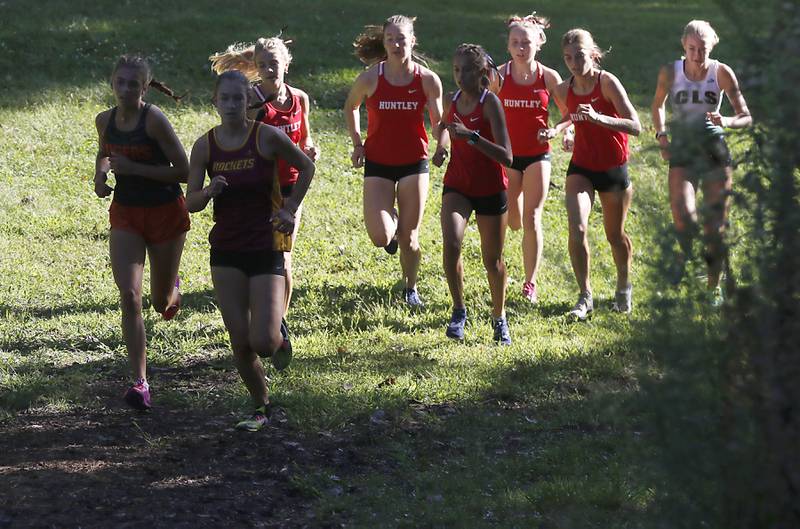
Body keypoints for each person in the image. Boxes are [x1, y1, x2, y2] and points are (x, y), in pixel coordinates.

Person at [185, 70, 314, 432]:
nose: (230, 105)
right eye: (224, 98)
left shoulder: (266, 137)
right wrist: (208, 192)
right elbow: (189, 202)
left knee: (264, 342)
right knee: (240, 342)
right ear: (215, 102)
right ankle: (261, 405)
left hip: (264, 245)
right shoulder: (205, 146)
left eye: (237, 99)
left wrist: (289, 210)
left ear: (248, 102)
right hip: (226, 250)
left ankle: (279, 333)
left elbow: (305, 167)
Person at [94, 55, 189, 411]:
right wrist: (100, 178)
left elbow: (184, 170)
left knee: (159, 302)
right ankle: (140, 382)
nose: (125, 89)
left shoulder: (154, 120)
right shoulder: (105, 120)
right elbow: (104, 155)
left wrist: (134, 168)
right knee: (129, 295)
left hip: (165, 213)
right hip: (126, 215)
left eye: (133, 84)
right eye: (120, 82)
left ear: (145, 88)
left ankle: (171, 288)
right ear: (112, 83)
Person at [210, 35, 319, 325]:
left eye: (274, 63)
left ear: (286, 63)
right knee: (262, 253)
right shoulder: (253, 104)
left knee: (283, 256)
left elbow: (305, 137)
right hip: (261, 190)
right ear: (256, 69)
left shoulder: (300, 98)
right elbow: (241, 140)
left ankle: (279, 321)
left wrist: (310, 149)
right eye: (263, 65)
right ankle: (259, 311)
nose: (270, 70)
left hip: (292, 187)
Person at [344, 14, 446, 307]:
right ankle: (394, 227)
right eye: (391, 39)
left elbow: (439, 121)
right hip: (378, 162)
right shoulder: (370, 78)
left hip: (414, 162)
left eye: (402, 39)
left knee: (410, 238)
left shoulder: (427, 80)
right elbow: (351, 107)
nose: (397, 44)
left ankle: (410, 288)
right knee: (381, 236)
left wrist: (442, 145)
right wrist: (357, 143)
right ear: (384, 42)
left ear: (413, 41)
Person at [543, 29, 641, 320]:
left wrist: (600, 118)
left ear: (594, 55)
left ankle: (623, 285)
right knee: (578, 228)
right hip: (581, 167)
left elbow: (636, 126)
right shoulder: (562, 89)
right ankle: (585, 296)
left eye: (580, 56)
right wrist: (558, 130)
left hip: (613, 168)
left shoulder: (607, 82)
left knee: (615, 235)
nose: (574, 63)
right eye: (568, 58)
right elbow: (569, 115)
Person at [651, 20, 751, 302]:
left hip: (713, 151)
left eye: (703, 49)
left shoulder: (721, 73)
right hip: (682, 150)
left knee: (714, 227)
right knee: (684, 218)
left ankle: (712, 287)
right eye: (692, 48)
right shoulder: (671, 72)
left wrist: (727, 120)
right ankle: (683, 262)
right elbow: (657, 104)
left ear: (712, 46)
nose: (697, 55)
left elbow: (746, 115)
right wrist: (662, 137)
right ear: (684, 45)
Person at [433, 43, 514, 344]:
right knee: (451, 243)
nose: (459, 75)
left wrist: (473, 137)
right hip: (458, 185)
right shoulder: (453, 99)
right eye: (456, 69)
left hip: (491, 188)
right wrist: (441, 146)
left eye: (466, 70)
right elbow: (443, 124)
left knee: (492, 260)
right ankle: (458, 311)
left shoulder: (489, 102)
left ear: (481, 72)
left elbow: (507, 157)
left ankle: (499, 317)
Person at [491, 13, 570, 305]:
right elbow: (486, 110)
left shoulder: (548, 76)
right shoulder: (499, 75)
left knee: (532, 217)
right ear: (508, 46)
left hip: (539, 155)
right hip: (509, 156)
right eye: (515, 43)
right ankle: (516, 214)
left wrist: (562, 132)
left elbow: (568, 112)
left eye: (526, 42)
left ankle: (530, 283)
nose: (521, 48)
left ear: (539, 43)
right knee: (513, 220)